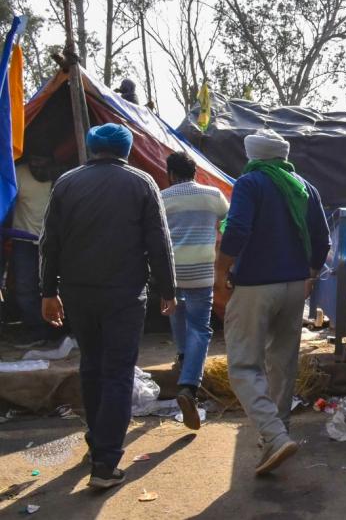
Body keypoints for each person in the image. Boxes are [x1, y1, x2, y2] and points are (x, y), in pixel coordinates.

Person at [39, 123, 176, 489]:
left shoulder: (67, 182)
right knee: (117, 371)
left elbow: (49, 242)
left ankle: (96, 439)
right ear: (126, 150)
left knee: (92, 366)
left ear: (91, 148)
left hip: (78, 293)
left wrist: (48, 291)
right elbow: (158, 241)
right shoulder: (142, 182)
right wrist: (168, 288)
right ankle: (105, 463)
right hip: (125, 294)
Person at [215, 129, 330, 475]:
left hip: (255, 287)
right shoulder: (304, 187)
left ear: (253, 155)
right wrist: (309, 275)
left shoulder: (250, 183)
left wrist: (222, 270)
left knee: (243, 365)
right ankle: (274, 440)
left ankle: (275, 436)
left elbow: (236, 229)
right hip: (295, 285)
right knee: (282, 362)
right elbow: (322, 239)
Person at [161, 151, 229, 430]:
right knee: (200, 328)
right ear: (194, 172)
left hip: (173, 270)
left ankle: (182, 356)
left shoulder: (162, 198)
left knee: (176, 312)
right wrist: (216, 236)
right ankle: (189, 386)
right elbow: (229, 218)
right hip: (202, 269)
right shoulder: (213, 196)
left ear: (171, 174)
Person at [8, 153, 57, 347]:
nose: (37, 165)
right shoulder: (18, 174)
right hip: (25, 241)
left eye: (42, 158)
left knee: (55, 287)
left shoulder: (60, 175)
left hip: (53, 242)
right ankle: (37, 331)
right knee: (25, 287)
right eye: (35, 160)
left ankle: (57, 329)